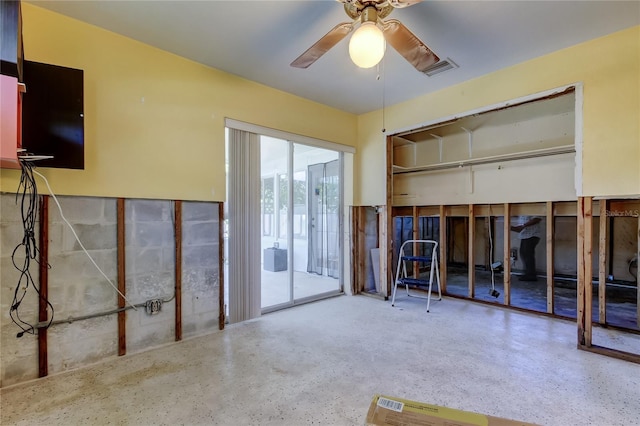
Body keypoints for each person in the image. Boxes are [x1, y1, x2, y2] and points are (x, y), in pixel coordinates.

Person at [510, 216, 542, 281]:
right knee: (524, 254)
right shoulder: (522, 211)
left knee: (528, 255)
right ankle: (528, 273)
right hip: (525, 235)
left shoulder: (532, 207)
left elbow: (537, 218)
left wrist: (523, 226)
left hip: (532, 235)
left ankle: (531, 275)